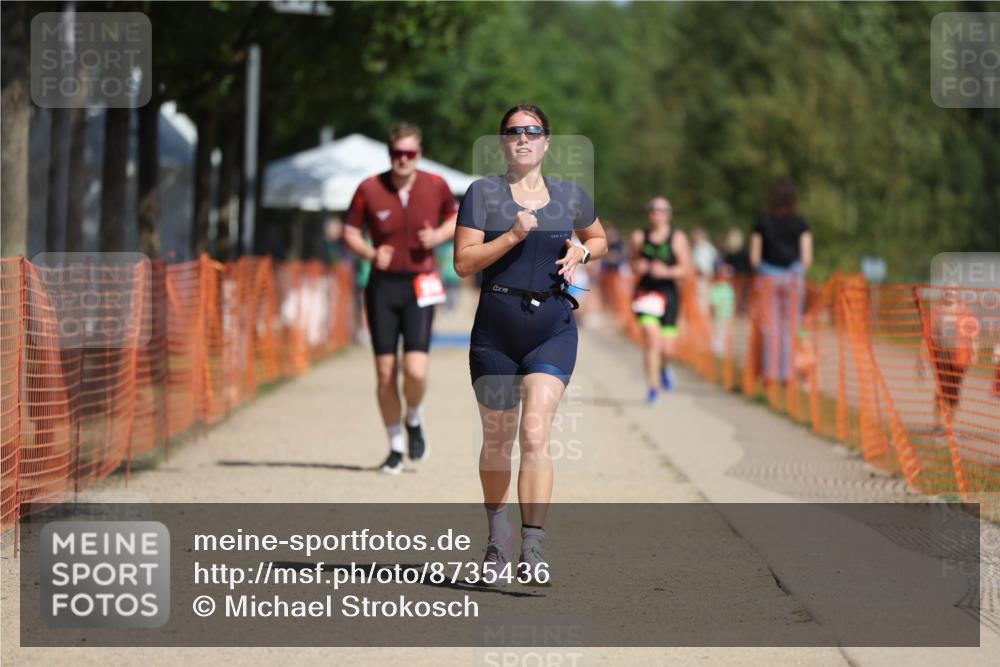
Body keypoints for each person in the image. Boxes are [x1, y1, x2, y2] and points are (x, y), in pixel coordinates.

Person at [454, 104, 607, 583]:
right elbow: (463, 263)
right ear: (502, 142)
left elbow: (599, 239)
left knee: (536, 435)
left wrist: (583, 250)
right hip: (495, 332)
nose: (523, 138)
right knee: (498, 441)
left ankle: (533, 547)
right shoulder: (482, 195)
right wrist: (512, 237)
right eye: (513, 132)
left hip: (552, 328)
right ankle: (498, 539)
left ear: (546, 142)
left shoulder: (571, 196)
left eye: (532, 131)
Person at [342, 122, 458, 474]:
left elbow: (456, 218)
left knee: (415, 371)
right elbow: (349, 230)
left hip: (421, 283)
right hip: (382, 287)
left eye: (409, 154)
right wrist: (369, 253)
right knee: (385, 372)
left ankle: (413, 417)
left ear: (419, 155)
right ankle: (394, 447)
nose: (402, 160)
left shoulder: (435, 185)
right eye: (396, 154)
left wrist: (437, 235)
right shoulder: (369, 188)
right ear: (389, 154)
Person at [749, 179, 813, 387]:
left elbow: (754, 258)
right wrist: (795, 272)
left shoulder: (763, 222)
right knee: (790, 328)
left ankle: (771, 374)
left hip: (768, 278)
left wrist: (766, 270)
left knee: (771, 328)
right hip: (793, 278)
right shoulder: (801, 223)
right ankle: (788, 375)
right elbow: (806, 258)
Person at [630, 197, 692, 403]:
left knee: (667, 349)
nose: (657, 214)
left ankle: (665, 367)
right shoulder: (639, 237)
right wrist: (639, 267)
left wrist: (666, 271)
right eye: (653, 210)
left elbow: (686, 269)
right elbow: (632, 262)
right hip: (646, 294)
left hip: (669, 295)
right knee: (651, 338)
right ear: (648, 214)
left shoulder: (677, 238)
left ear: (669, 214)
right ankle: (652, 387)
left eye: (662, 210)